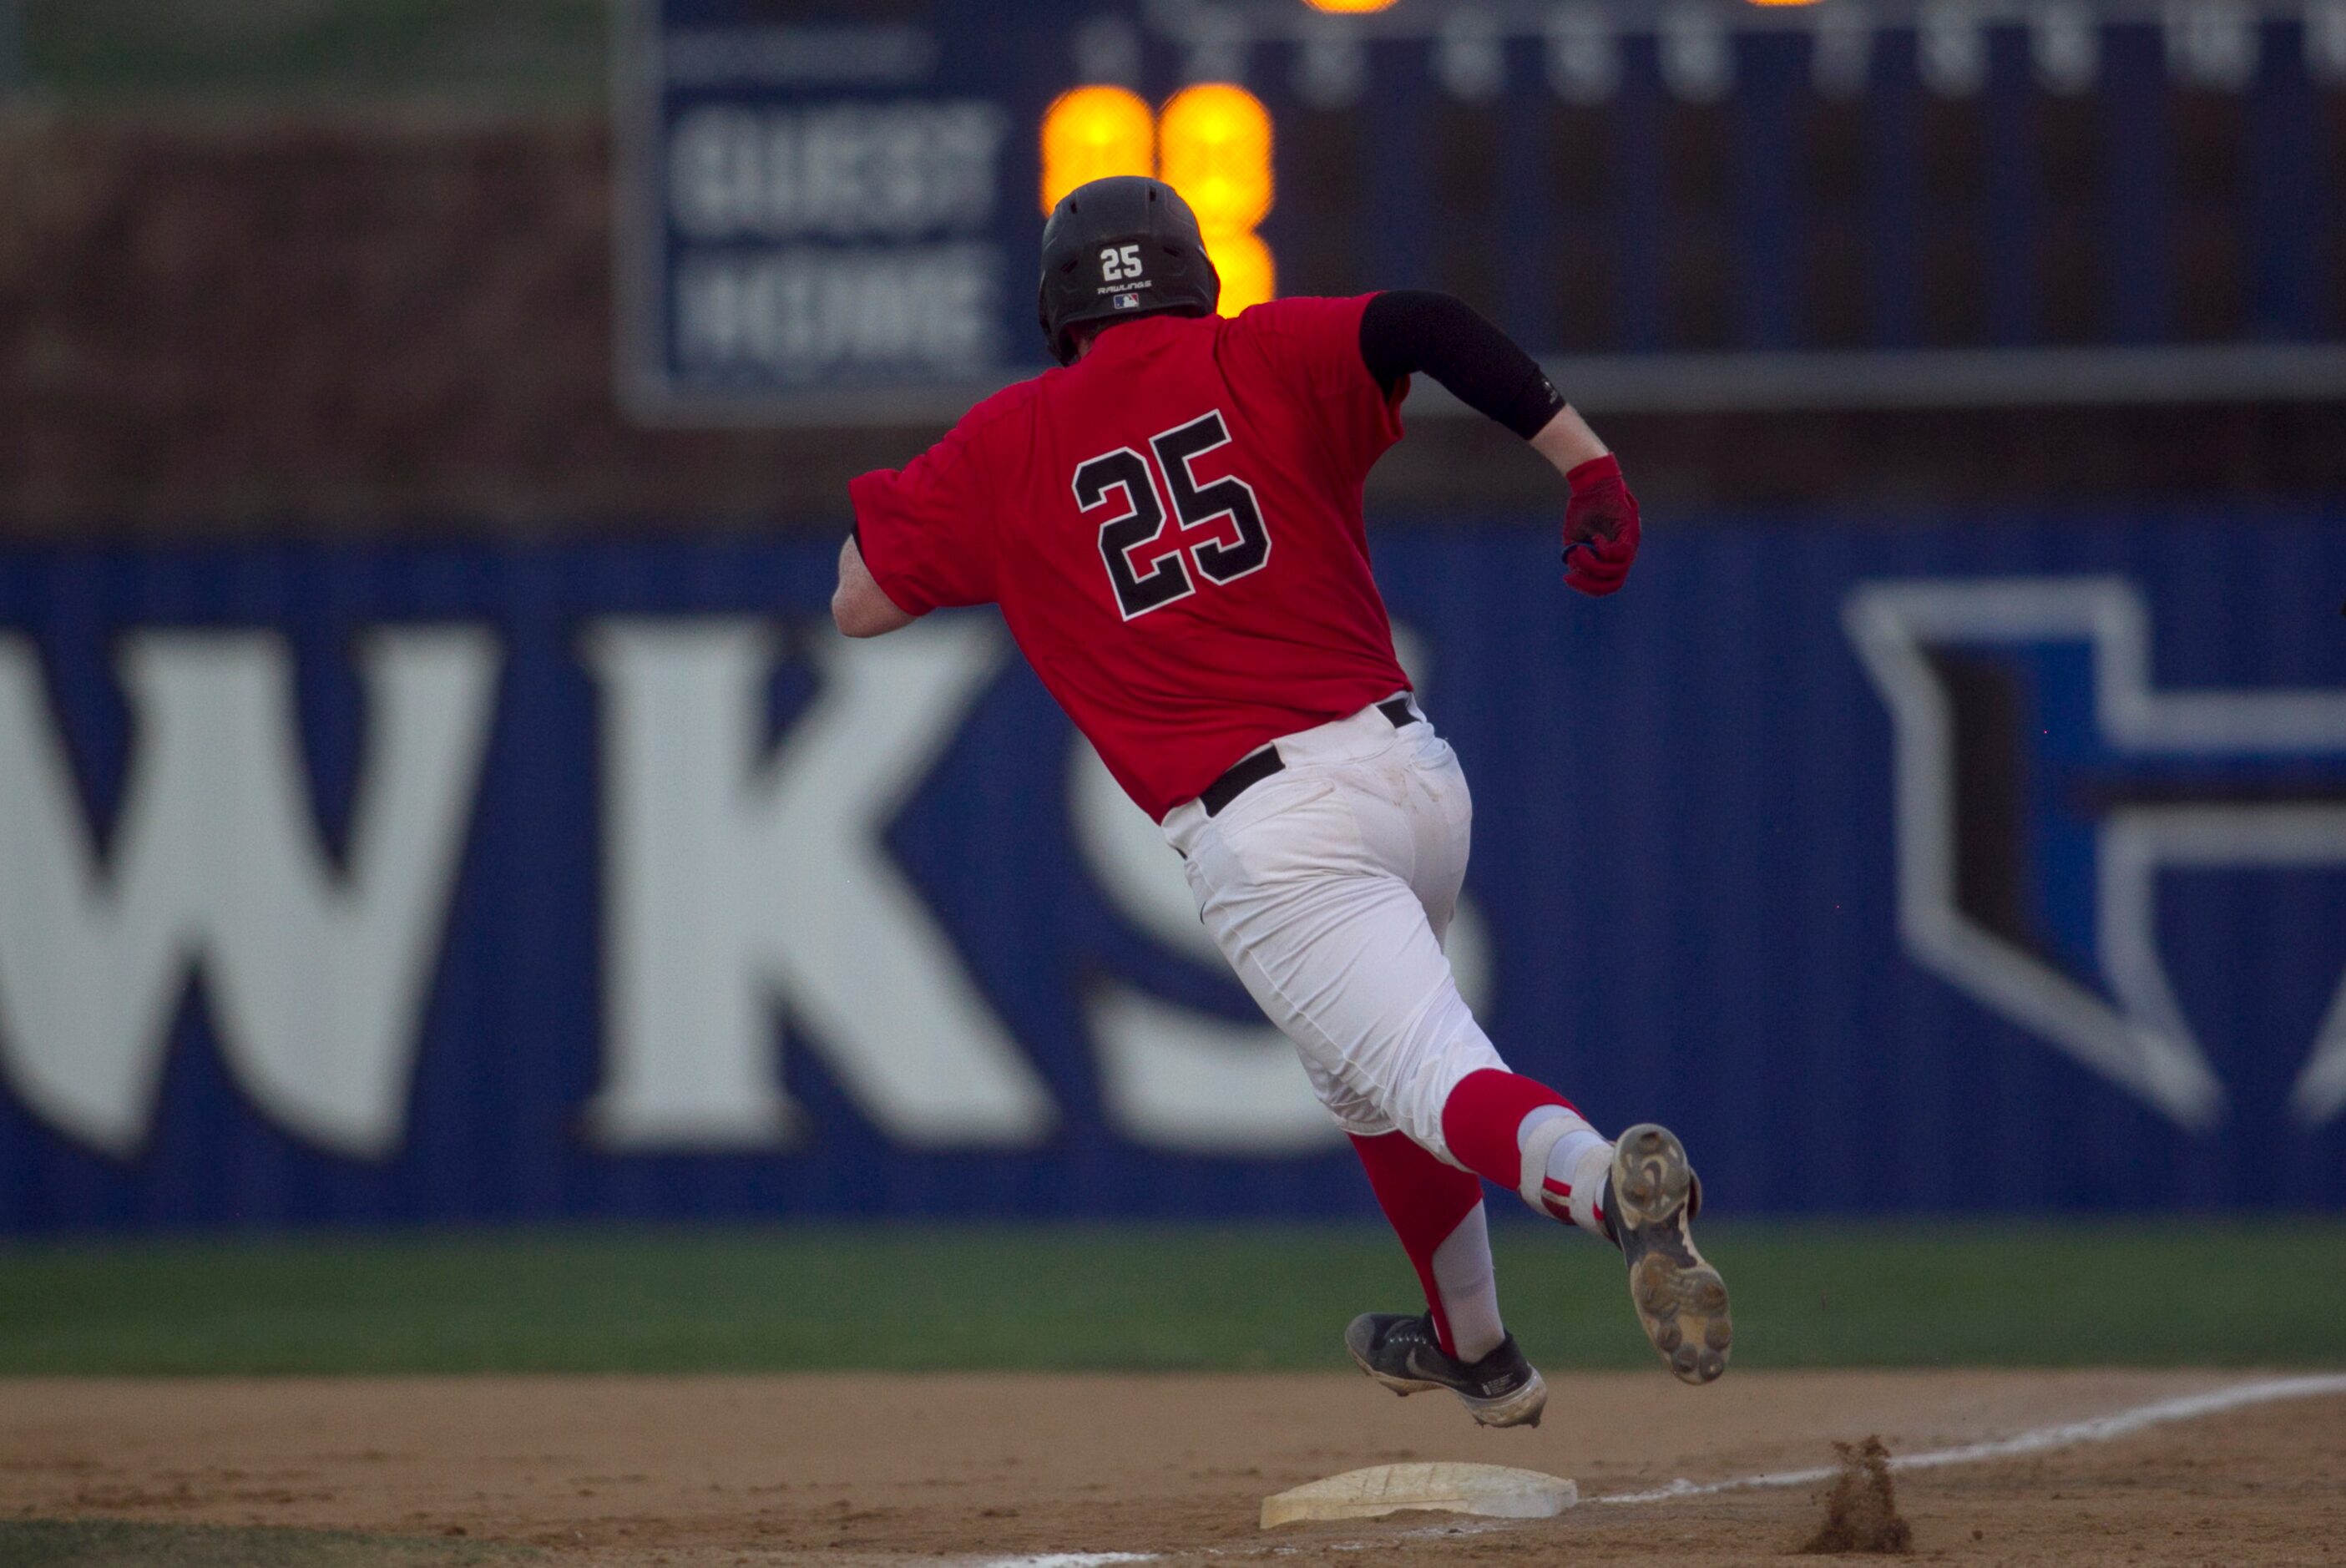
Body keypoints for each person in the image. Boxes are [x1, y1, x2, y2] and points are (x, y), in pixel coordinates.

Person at [833, 175, 1729, 1428]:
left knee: (1424, 1072)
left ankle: (1602, 1186)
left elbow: (859, 600)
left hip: (1268, 827)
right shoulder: (1264, 350)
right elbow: (1422, 320)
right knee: (1361, 1079)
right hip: (1409, 775)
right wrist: (1583, 461)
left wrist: (970, 506)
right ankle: (1476, 1351)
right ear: (1194, 272)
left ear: (1055, 306)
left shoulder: (1006, 441)